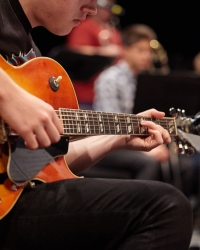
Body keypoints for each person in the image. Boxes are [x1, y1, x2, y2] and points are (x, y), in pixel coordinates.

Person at [0, 1, 193, 250]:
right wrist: (8, 96)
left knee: (166, 204)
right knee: (164, 208)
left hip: (12, 197)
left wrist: (117, 139)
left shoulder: (30, 55)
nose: (92, 9)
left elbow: (45, 166)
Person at [66, 0, 123, 110]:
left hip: (111, 95)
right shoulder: (84, 26)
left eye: (111, 6)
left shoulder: (114, 31)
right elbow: (75, 52)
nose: (109, 10)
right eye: (105, 6)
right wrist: (104, 52)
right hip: (86, 95)